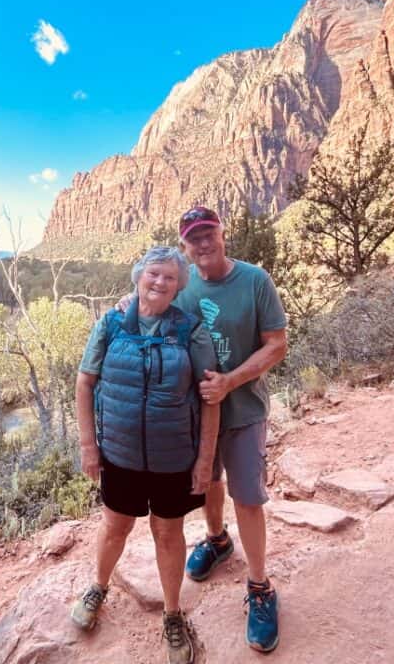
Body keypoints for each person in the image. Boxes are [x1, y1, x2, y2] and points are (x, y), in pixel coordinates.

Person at [71, 246, 221, 664]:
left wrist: (205, 462)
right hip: (119, 454)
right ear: (138, 277)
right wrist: (89, 445)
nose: (159, 282)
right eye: (154, 274)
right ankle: (98, 587)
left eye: (169, 277)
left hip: (174, 457)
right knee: (114, 526)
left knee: (168, 534)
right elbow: (85, 383)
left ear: (179, 286)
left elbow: (211, 399)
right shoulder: (112, 322)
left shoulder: (191, 330)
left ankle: (173, 614)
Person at [175, 206, 288, 654]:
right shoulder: (183, 284)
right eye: (193, 238)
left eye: (208, 234)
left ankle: (260, 587)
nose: (202, 244)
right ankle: (218, 540)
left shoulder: (255, 280)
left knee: (248, 495)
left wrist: (230, 382)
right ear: (185, 245)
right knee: (209, 481)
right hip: (200, 413)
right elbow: (154, 306)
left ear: (223, 234)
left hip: (243, 410)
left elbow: (276, 345)